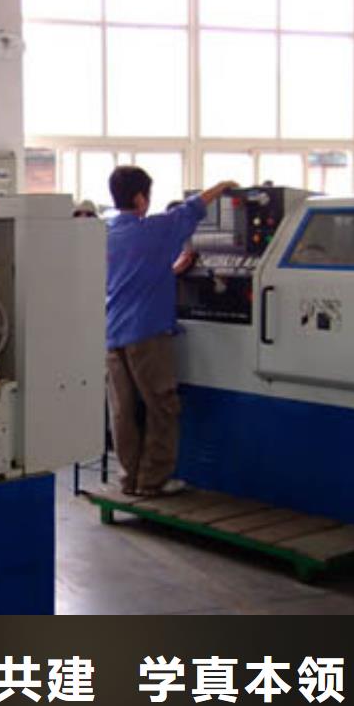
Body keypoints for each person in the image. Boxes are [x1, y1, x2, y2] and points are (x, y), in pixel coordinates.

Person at [105, 166, 237, 497]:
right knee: (162, 407)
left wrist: (171, 271)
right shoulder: (156, 230)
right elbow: (192, 208)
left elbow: (130, 274)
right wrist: (221, 185)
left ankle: (129, 479)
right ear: (140, 198)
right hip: (146, 334)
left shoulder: (105, 233)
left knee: (123, 411)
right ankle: (153, 480)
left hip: (112, 334)